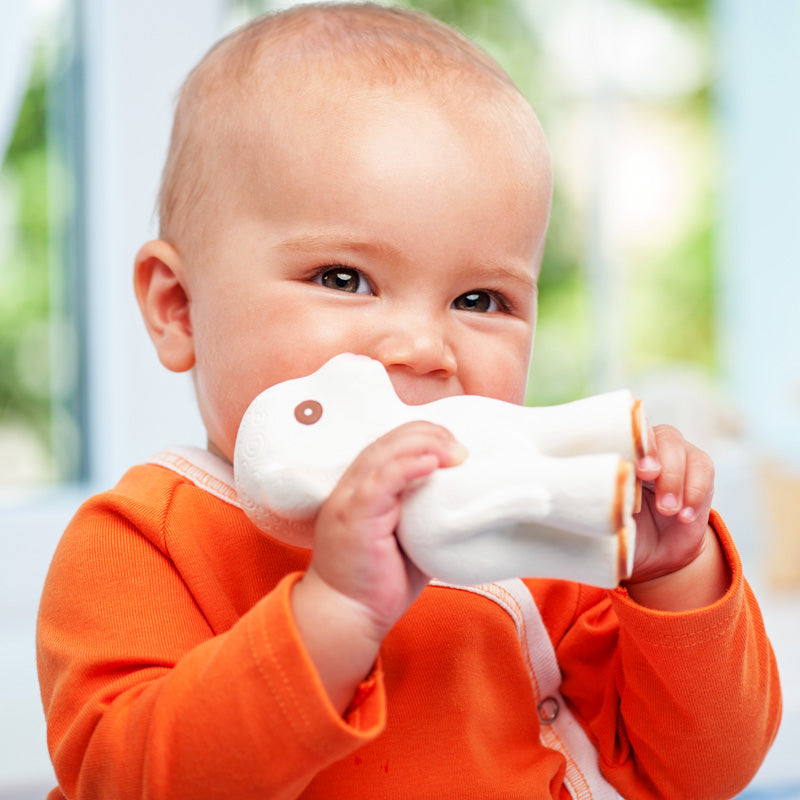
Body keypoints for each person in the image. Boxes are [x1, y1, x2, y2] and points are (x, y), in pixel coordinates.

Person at [36, 3, 781, 799]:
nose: (426, 348)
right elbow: (132, 780)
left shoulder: (529, 530)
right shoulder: (143, 541)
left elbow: (703, 771)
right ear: (179, 308)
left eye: (481, 299)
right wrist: (335, 615)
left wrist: (675, 574)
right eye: (343, 279)